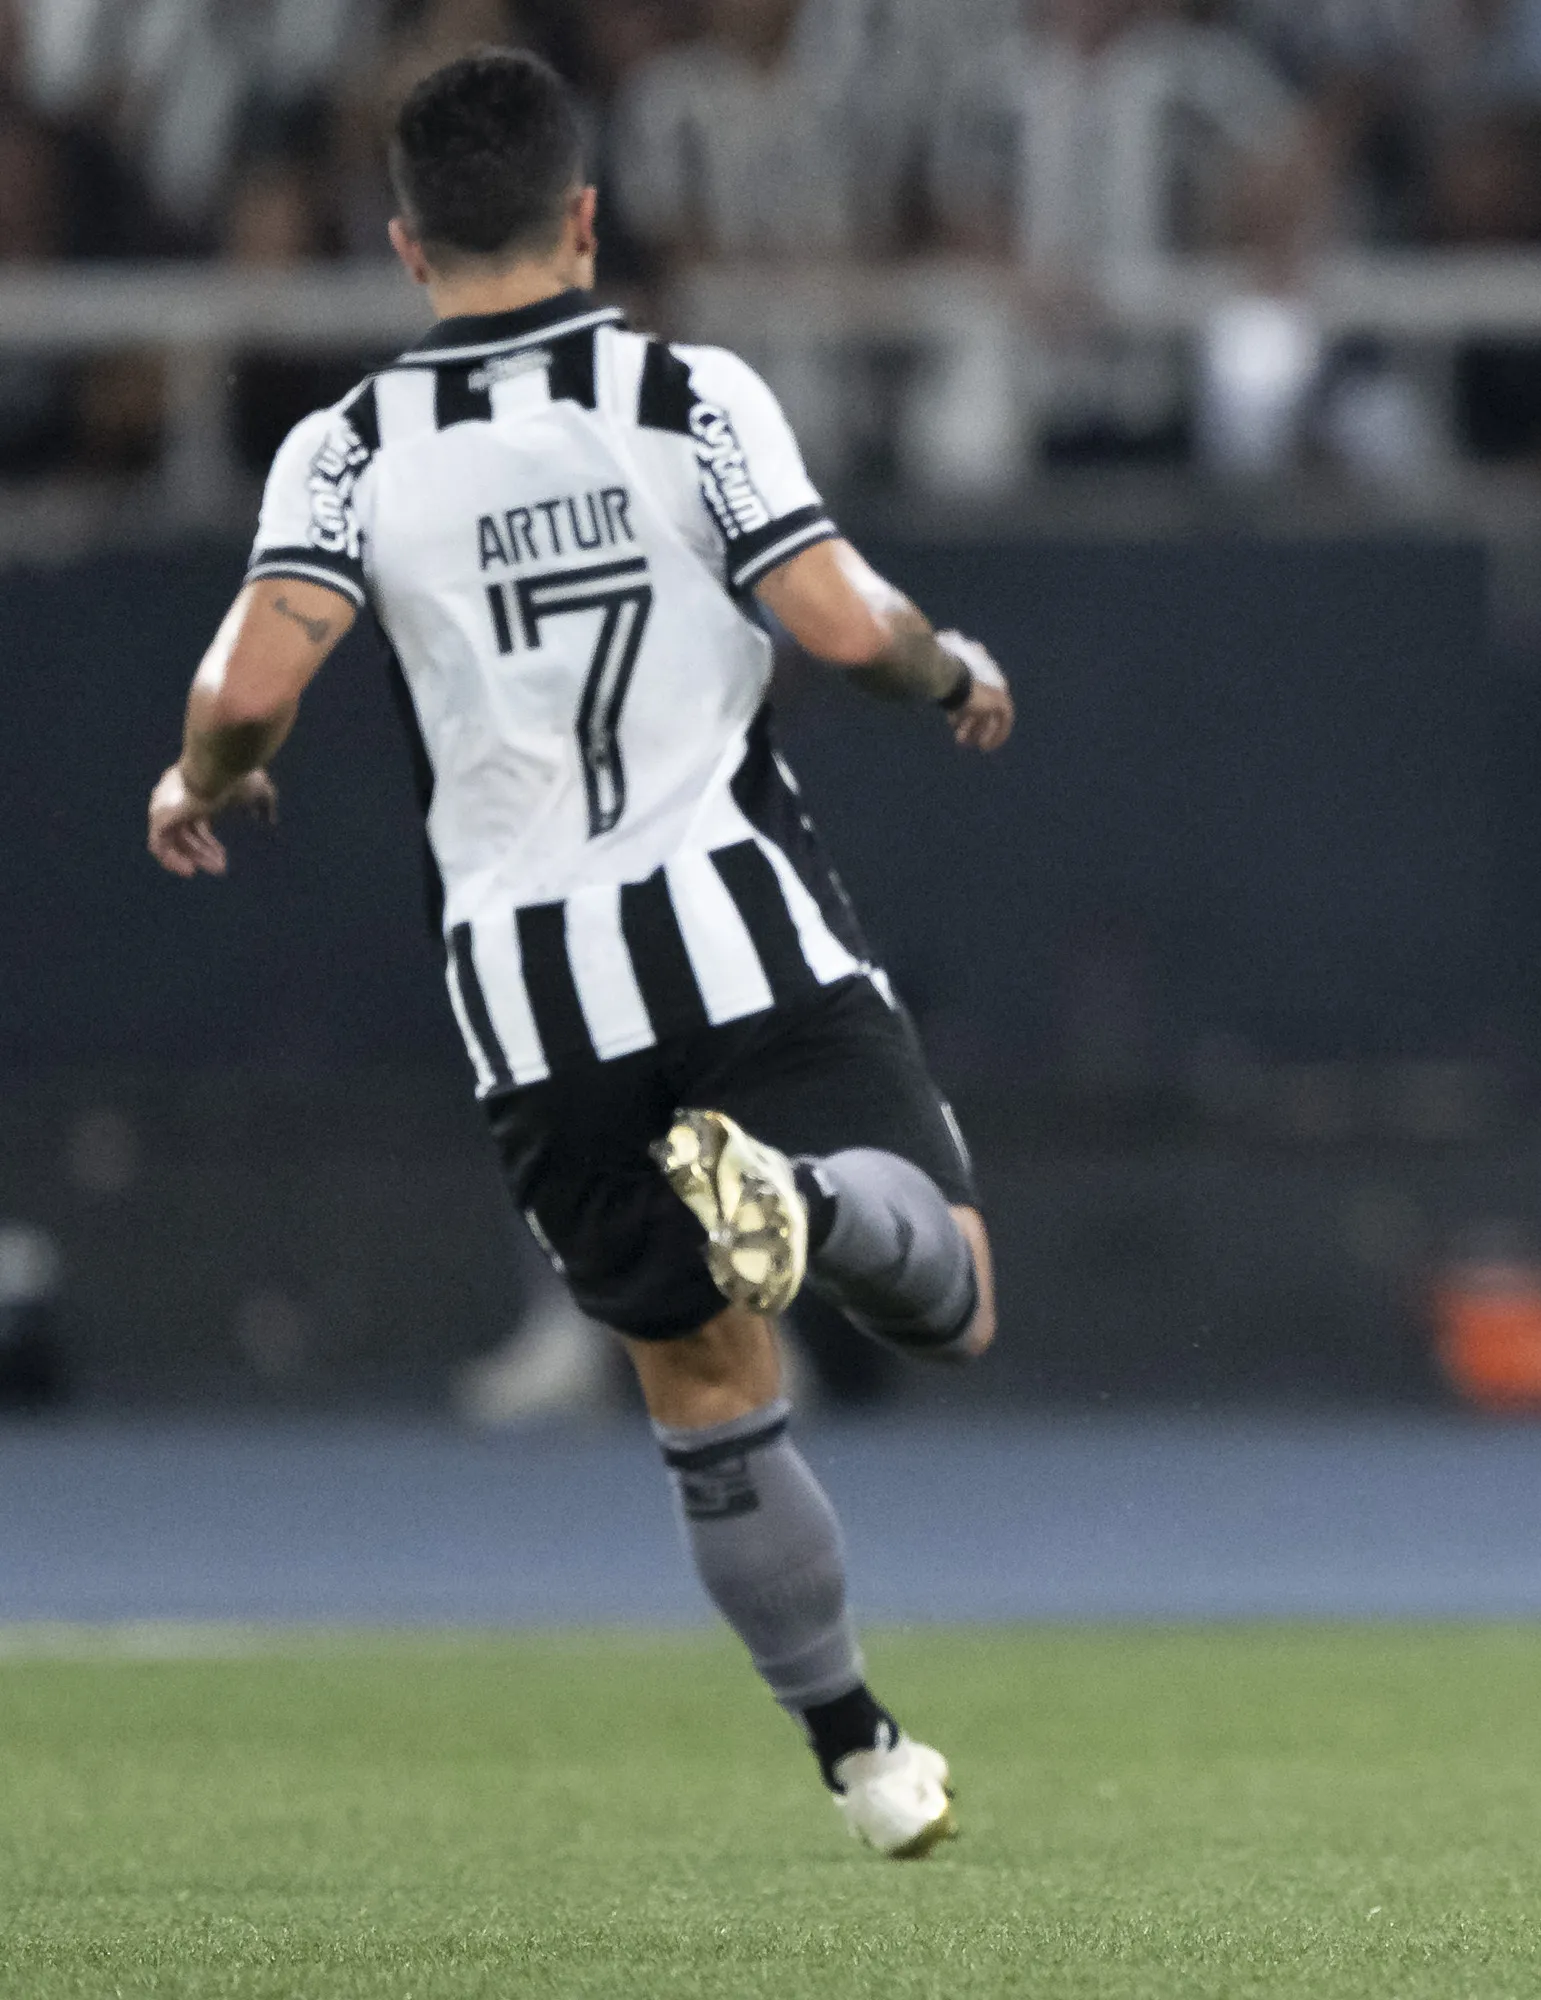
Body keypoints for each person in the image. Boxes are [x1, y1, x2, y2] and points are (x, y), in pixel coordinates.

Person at [142, 48, 1016, 1860]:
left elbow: (247, 685)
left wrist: (201, 780)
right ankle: (809, 1203)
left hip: (532, 998)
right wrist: (950, 673)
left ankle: (860, 1755)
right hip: (732, 922)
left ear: (405, 245)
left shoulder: (348, 446)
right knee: (953, 1298)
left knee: (703, 1389)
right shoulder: (686, 391)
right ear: (587, 218)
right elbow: (837, 619)